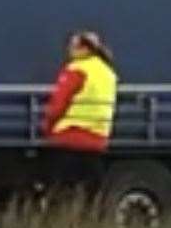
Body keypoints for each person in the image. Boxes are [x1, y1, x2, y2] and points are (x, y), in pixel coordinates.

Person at [41, 31, 119, 190]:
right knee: (90, 191)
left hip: (70, 137)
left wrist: (47, 129)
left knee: (60, 190)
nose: (69, 50)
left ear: (85, 49)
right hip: (97, 140)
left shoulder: (77, 70)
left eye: (73, 46)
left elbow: (58, 104)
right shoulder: (108, 73)